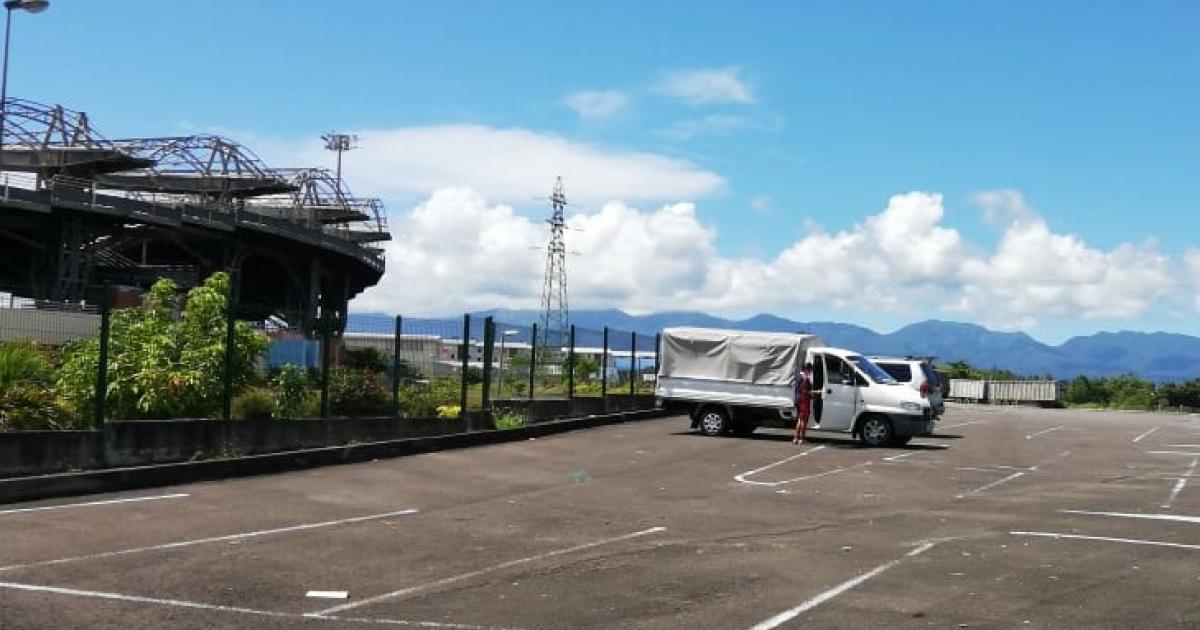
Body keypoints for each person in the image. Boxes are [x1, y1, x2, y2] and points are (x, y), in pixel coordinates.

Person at [793, 362, 814, 445]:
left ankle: (795, 438)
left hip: (799, 399)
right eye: (810, 370)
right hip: (804, 400)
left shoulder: (799, 377)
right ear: (806, 369)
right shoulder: (805, 378)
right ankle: (801, 438)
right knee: (804, 420)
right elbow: (805, 391)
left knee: (799, 419)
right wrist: (812, 392)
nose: (811, 372)